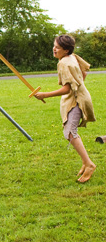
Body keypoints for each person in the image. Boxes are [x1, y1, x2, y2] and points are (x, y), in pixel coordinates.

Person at [35, 35, 96, 182]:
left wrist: (45, 94)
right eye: (54, 45)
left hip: (77, 100)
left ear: (66, 50)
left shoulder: (64, 63)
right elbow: (84, 72)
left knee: (69, 132)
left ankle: (89, 165)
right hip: (78, 97)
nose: (54, 49)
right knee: (69, 132)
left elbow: (67, 89)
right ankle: (85, 162)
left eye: (57, 47)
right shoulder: (72, 57)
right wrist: (79, 84)